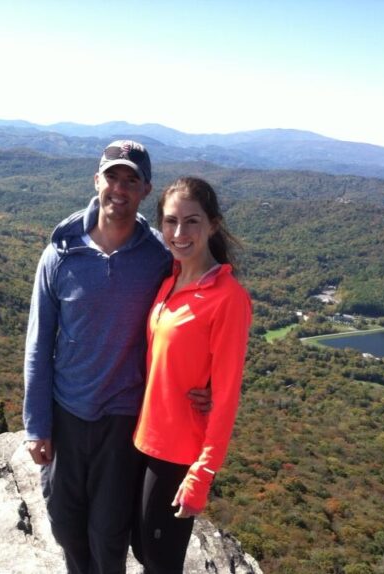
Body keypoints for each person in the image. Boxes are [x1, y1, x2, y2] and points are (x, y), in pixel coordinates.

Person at [23, 141, 211, 574]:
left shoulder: (160, 257)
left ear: (146, 189)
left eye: (131, 180)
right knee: (66, 526)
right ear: (97, 181)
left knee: (109, 535)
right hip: (66, 414)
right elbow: (38, 344)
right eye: (112, 177)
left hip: (126, 420)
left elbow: (197, 319)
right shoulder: (60, 254)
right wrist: (37, 425)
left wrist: (209, 385)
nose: (119, 189)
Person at [132, 177, 252, 574]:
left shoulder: (228, 298)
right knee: (140, 545)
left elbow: (228, 394)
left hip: (178, 451)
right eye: (171, 222)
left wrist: (201, 475)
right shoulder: (169, 280)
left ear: (213, 225)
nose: (179, 233)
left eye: (192, 221)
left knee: (159, 561)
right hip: (143, 440)